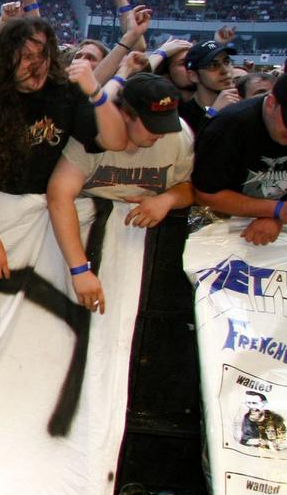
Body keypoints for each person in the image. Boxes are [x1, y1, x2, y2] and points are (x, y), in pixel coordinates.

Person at [0, 17, 126, 279]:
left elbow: (115, 142)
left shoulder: (65, 92)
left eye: (42, 54)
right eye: (26, 56)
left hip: (47, 218)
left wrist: (96, 92)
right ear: (6, 58)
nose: (36, 65)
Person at [47, 69, 194, 313]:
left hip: (141, 251)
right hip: (82, 243)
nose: (161, 133)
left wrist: (167, 199)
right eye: (153, 125)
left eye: (166, 123)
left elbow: (191, 188)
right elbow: (59, 195)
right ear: (125, 114)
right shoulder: (93, 133)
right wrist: (80, 269)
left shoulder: (179, 135)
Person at [192, 74, 287, 246]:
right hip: (222, 226)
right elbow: (206, 194)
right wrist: (275, 210)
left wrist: (277, 217)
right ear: (271, 103)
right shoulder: (227, 127)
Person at [178, 39, 240, 133]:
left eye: (226, 62)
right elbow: (198, 142)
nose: (225, 71)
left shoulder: (242, 106)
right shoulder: (182, 116)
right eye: (213, 65)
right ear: (193, 76)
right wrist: (212, 113)